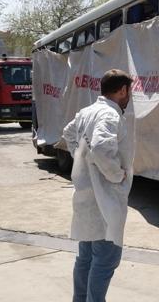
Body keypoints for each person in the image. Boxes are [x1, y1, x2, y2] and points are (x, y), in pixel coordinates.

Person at [62, 69, 134, 302]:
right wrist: (116, 174)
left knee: (86, 258)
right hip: (106, 200)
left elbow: (68, 133)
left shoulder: (87, 112)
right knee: (105, 260)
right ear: (122, 90)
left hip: (86, 198)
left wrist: (82, 160)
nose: (129, 97)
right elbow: (102, 148)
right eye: (128, 92)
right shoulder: (109, 115)